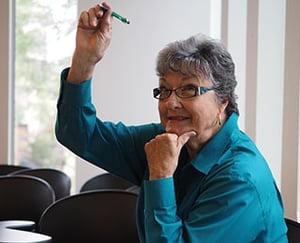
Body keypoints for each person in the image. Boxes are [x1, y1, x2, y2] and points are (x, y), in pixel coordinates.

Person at [55, 2, 288, 242]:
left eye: (189, 89)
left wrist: (160, 174)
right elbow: (77, 133)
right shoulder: (165, 142)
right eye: (164, 90)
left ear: (223, 101)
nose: (171, 103)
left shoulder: (241, 179)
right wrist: (84, 60)